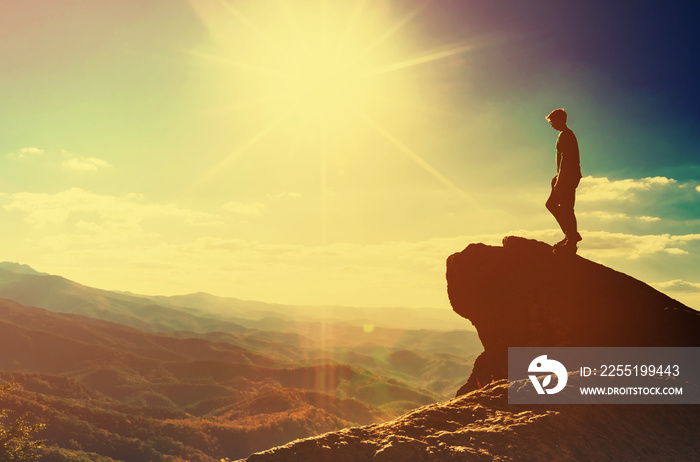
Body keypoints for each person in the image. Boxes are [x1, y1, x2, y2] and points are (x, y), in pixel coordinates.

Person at [545, 108, 582, 248]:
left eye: (552, 121)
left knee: (565, 207)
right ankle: (571, 235)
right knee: (559, 206)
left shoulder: (566, 135)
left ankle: (571, 238)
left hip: (567, 177)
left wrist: (560, 180)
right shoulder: (564, 134)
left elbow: (566, 159)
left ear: (560, 119)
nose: (551, 124)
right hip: (566, 176)